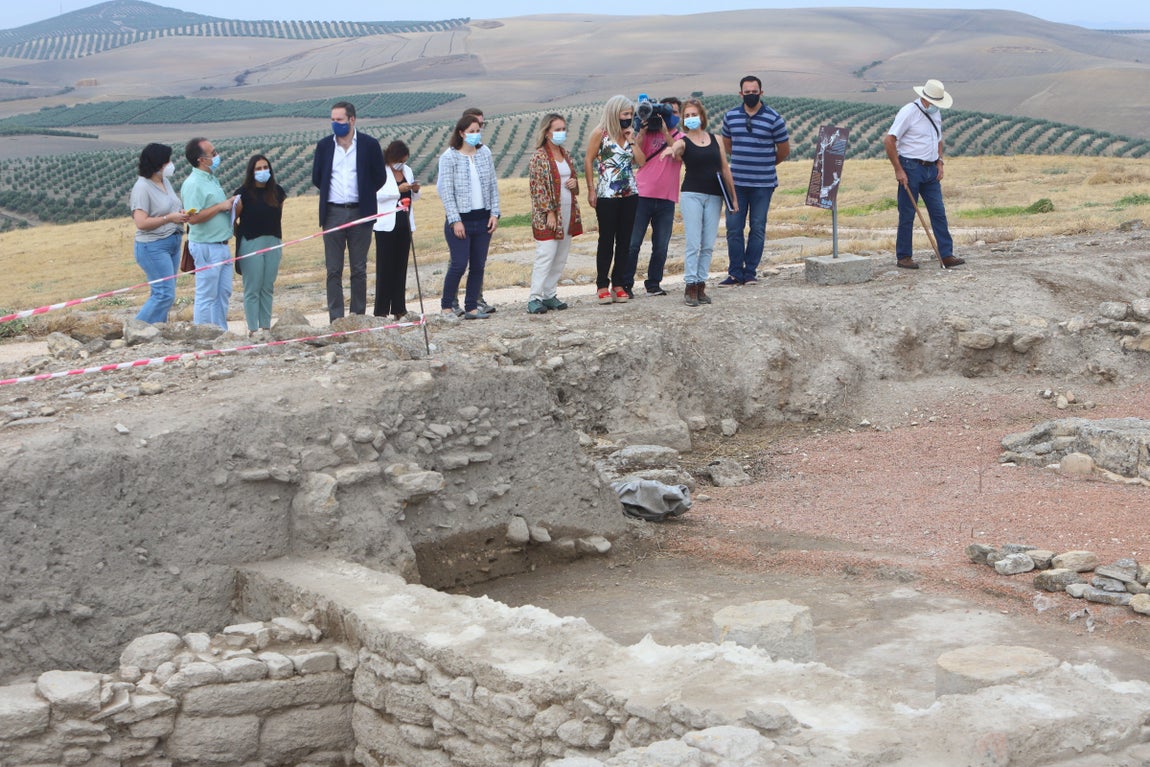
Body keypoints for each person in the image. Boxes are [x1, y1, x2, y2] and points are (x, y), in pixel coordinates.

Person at [311, 101, 386, 322]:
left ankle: (357, 317)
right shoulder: (324, 146)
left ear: (352, 120)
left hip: (361, 212)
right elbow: (317, 177)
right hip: (332, 213)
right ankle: (336, 319)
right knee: (333, 269)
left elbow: (379, 177)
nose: (336, 124)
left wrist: (364, 194)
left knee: (359, 269)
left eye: (340, 120)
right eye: (333, 120)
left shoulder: (369, 145)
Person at [883, 79, 965, 269]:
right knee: (907, 213)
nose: (937, 105)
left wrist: (940, 162)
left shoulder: (936, 113)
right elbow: (889, 140)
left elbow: (938, 139)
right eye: (935, 102)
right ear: (925, 98)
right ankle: (904, 256)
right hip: (910, 167)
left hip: (931, 169)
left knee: (938, 212)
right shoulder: (909, 112)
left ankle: (946, 254)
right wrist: (898, 170)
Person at [664, 99, 738, 307]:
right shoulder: (684, 141)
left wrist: (733, 197)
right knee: (693, 242)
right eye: (687, 116)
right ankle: (690, 285)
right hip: (692, 195)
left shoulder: (716, 139)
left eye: (693, 114)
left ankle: (701, 284)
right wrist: (671, 149)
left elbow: (725, 168)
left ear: (702, 116)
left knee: (708, 244)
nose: (691, 118)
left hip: (715, 195)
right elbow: (677, 146)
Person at [720, 75, 790, 286]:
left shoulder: (774, 118)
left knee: (758, 228)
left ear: (761, 92)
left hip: (763, 184)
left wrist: (766, 163)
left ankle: (750, 272)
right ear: (740, 93)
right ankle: (735, 273)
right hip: (736, 184)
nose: (751, 95)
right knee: (734, 228)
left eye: (754, 91)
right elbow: (728, 145)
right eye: (747, 92)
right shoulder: (730, 116)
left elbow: (784, 150)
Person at [437, 113, 501, 320]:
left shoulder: (485, 153)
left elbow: (492, 185)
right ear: (461, 133)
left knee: (478, 265)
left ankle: (472, 307)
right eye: (471, 131)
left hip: (483, 219)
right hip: (461, 221)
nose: (475, 134)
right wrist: (455, 220)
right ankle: (447, 307)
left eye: (478, 131)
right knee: (458, 264)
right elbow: (447, 192)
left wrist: (495, 213)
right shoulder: (449, 157)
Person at [584, 95, 646, 305]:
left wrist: (632, 140)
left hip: (630, 193)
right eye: (625, 113)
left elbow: (641, 162)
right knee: (606, 240)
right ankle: (602, 284)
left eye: (631, 114)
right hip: (606, 195)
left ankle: (618, 284)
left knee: (625, 241)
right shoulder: (600, 133)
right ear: (614, 113)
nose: (628, 117)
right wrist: (590, 189)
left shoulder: (631, 134)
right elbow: (588, 160)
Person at [625, 96, 683, 297]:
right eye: (668, 112)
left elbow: (678, 155)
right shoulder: (646, 132)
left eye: (674, 112)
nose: (669, 116)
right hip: (642, 195)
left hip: (667, 198)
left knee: (661, 245)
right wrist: (642, 130)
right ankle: (626, 284)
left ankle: (653, 284)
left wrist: (665, 132)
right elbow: (636, 159)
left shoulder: (680, 137)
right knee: (633, 244)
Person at [527, 113, 582, 314]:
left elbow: (574, 180)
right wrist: (549, 212)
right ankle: (534, 297)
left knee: (560, 256)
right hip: (548, 215)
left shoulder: (565, 154)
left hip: (568, 211)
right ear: (546, 132)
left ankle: (549, 294)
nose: (561, 133)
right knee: (546, 254)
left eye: (563, 129)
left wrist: (575, 184)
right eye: (557, 129)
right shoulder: (539, 157)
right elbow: (537, 187)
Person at [129, 142, 188, 324]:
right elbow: (141, 222)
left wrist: (180, 214)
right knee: (164, 294)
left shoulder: (165, 182)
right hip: (153, 246)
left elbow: (170, 207)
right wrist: (169, 218)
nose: (171, 164)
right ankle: (137, 329)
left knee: (164, 293)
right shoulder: (142, 188)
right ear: (157, 163)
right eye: (167, 161)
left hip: (173, 241)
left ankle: (156, 330)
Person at [180, 137, 236, 330]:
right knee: (206, 295)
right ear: (201, 160)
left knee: (223, 293)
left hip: (221, 244)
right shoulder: (193, 184)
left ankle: (220, 332)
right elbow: (193, 218)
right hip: (207, 246)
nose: (217, 156)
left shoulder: (211, 179)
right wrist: (220, 206)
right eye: (213, 153)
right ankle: (203, 333)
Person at [233, 154, 286, 334]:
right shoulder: (242, 194)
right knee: (252, 288)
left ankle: (265, 327)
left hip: (273, 241)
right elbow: (233, 220)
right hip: (251, 242)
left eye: (265, 167)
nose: (263, 171)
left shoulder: (277, 192)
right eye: (258, 168)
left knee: (267, 286)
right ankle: (253, 329)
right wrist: (241, 235)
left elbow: (278, 216)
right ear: (251, 172)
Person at [373, 140, 420, 319]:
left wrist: (415, 190)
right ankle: (381, 310)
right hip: (385, 226)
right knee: (385, 267)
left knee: (401, 267)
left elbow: (414, 198)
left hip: (405, 224)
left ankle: (399, 308)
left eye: (404, 161)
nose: (402, 164)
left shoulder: (407, 171)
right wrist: (397, 190)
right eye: (399, 161)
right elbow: (375, 195)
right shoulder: (380, 171)